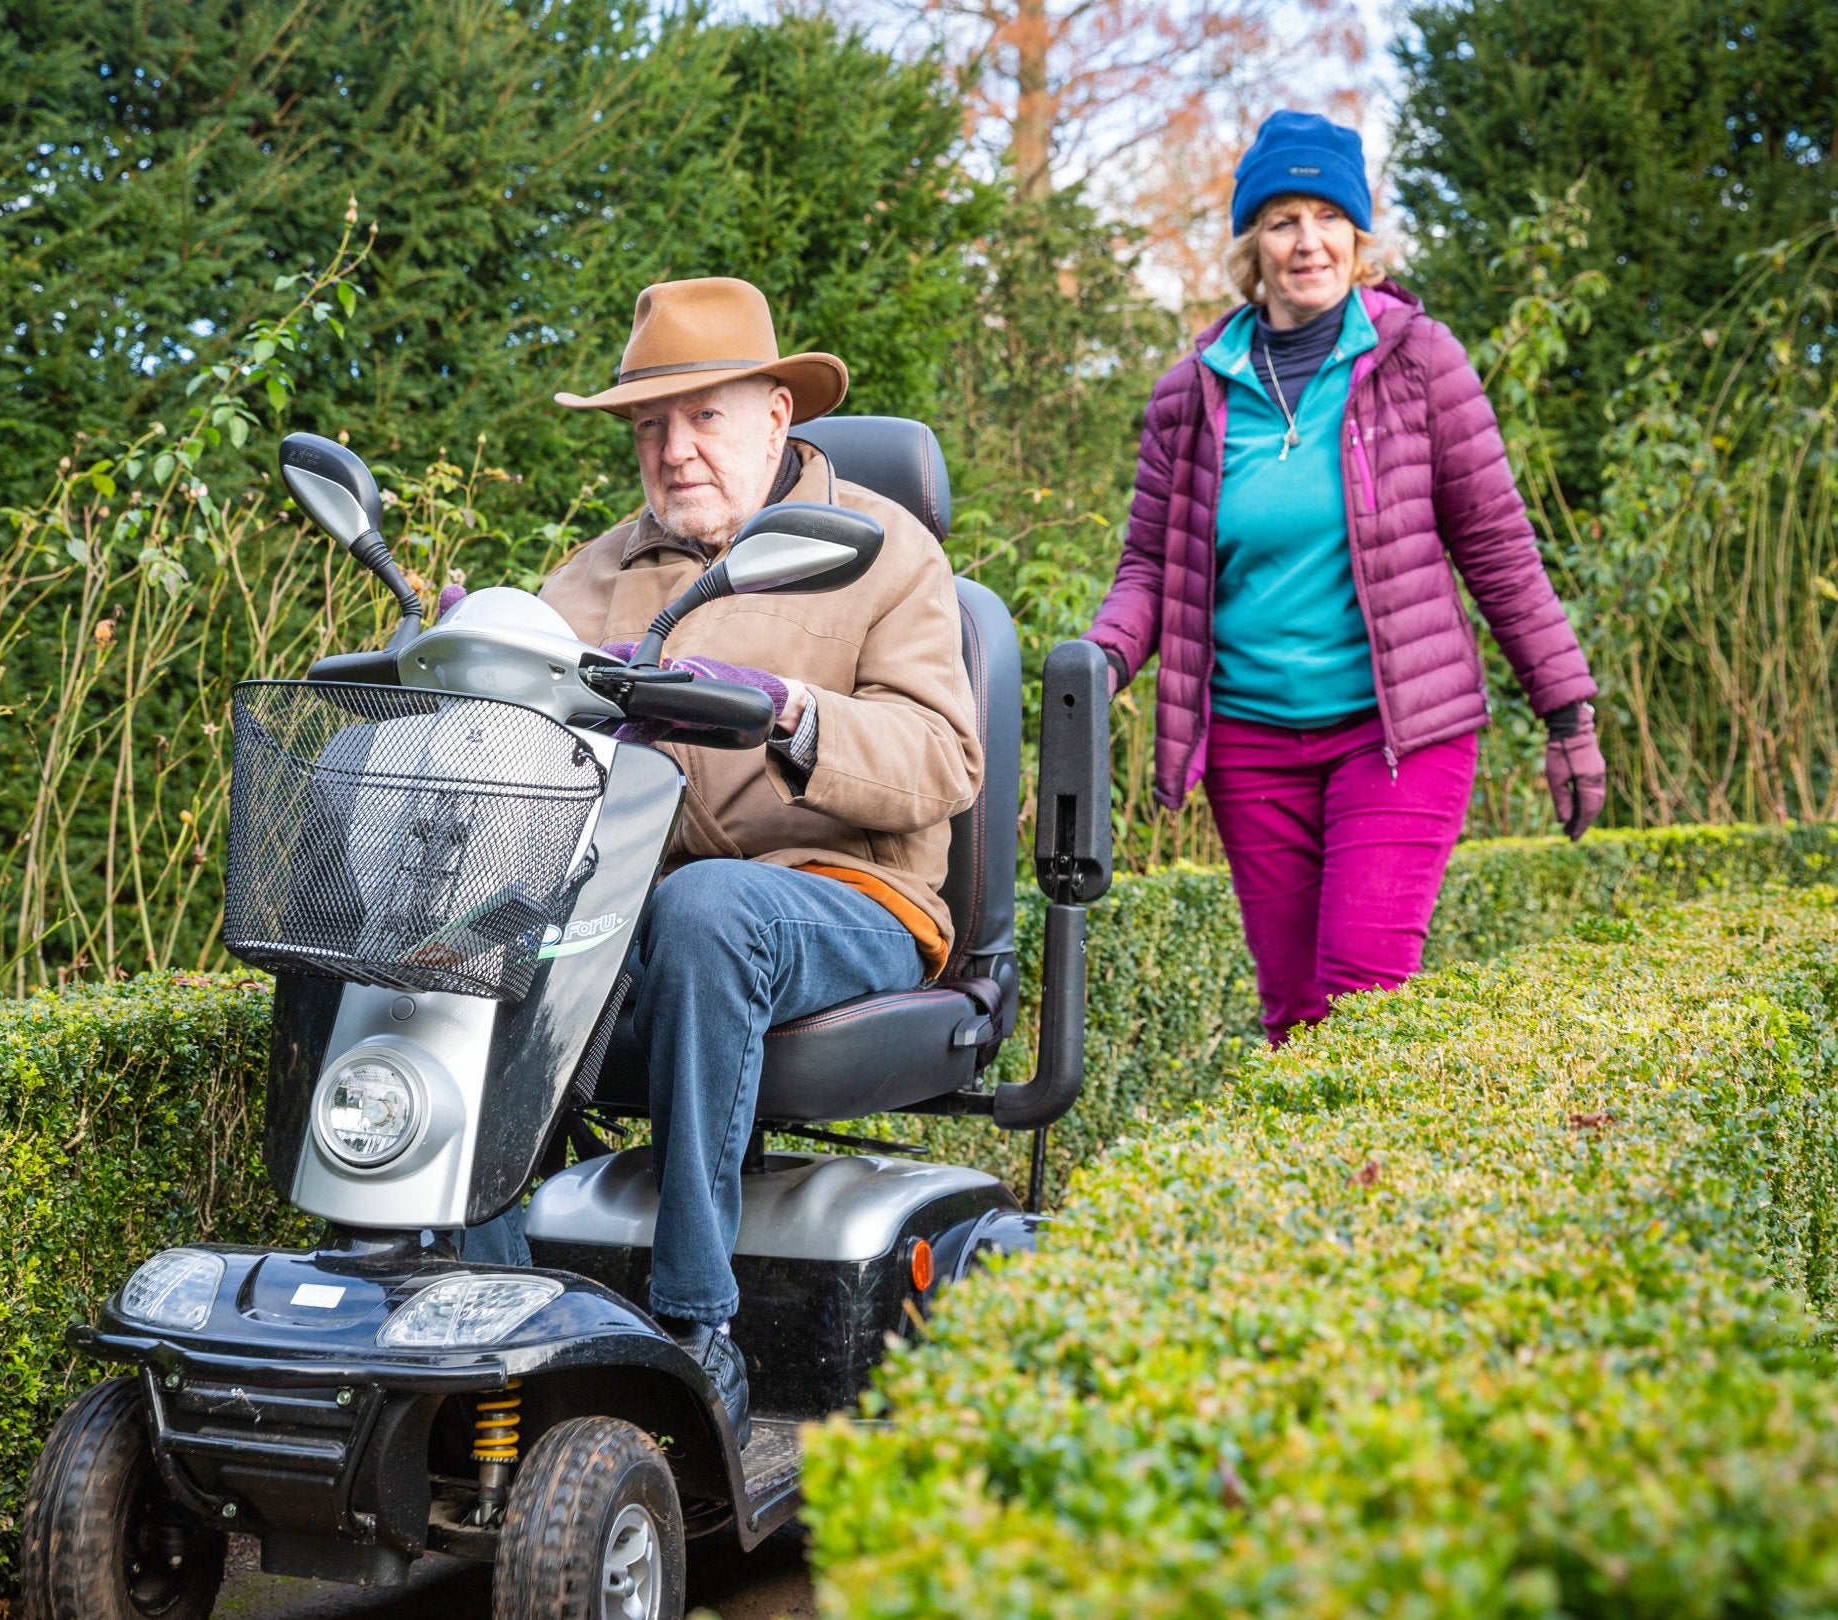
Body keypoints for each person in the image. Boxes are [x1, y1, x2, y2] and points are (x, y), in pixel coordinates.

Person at [467, 277, 980, 1438]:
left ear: (775, 418)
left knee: (707, 911)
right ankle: (492, 1313)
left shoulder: (882, 553)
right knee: (472, 935)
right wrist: (484, 668)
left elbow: (945, 761)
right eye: (651, 425)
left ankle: (700, 1329)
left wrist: (791, 712)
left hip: (851, 898)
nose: (675, 448)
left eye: (704, 417)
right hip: (638, 919)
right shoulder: (588, 578)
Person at [1084, 110, 1608, 1047]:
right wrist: (1095, 661)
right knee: (1293, 1011)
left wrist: (1567, 716)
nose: (1307, 240)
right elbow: (1149, 568)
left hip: (1395, 733)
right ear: (1254, 243)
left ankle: (1379, 1193)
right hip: (1251, 743)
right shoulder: (1191, 391)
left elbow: (1496, 545)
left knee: (1363, 995)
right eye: (1282, 218)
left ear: (1359, 235)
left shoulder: (1418, 362)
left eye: (1328, 215)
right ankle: (1322, 1199)